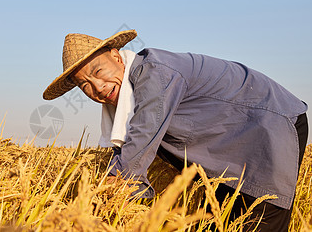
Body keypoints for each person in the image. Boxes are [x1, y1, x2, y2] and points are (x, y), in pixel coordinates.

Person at [42, 29, 308, 231]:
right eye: (85, 85)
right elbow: (129, 152)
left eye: (98, 71)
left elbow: (141, 138)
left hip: (269, 127)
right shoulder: (128, 97)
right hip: (228, 150)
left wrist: (102, 199)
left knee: (260, 223)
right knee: (221, 224)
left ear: (115, 55)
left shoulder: (155, 74)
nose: (97, 87)